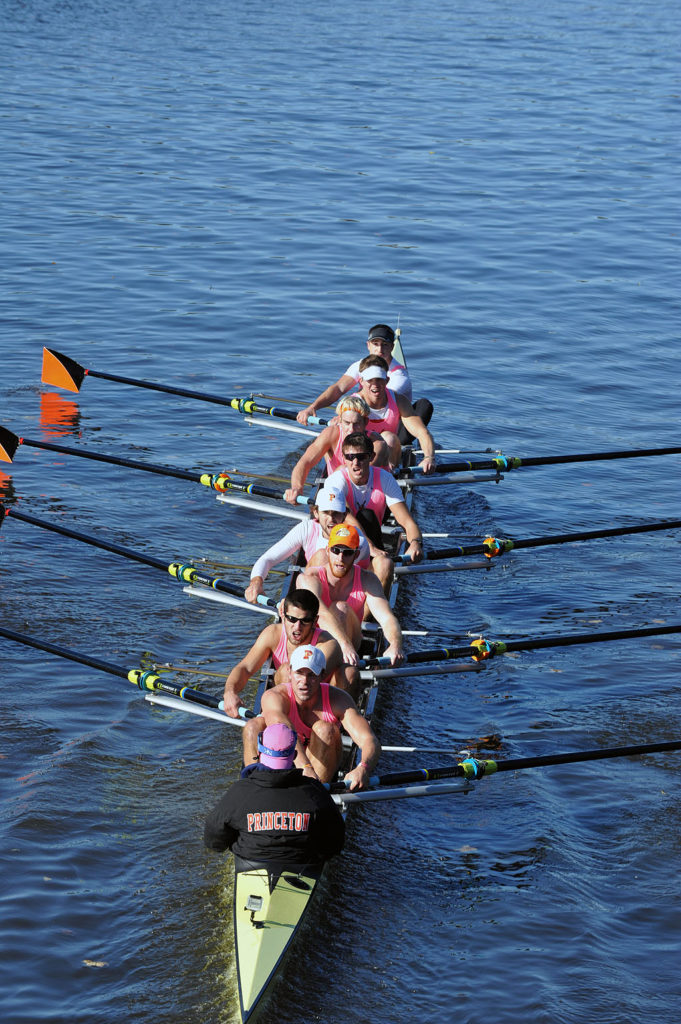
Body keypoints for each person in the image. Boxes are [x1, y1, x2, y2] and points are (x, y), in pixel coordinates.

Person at [203, 722, 345, 867]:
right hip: (301, 866)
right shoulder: (314, 791)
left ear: (259, 753)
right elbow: (336, 841)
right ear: (294, 755)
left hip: (250, 863)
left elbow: (213, 839)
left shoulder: (240, 791)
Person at [243, 645, 381, 791]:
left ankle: (312, 792)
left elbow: (370, 741)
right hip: (282, 759)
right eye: (299, 673)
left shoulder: (339, 700)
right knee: (253, 726)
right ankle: (254, 789)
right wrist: (305, 766)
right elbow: (285, 731)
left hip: (320, 765)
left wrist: (363, 768)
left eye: (311, 675)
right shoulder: (274, 696)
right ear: (289, 672)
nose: (304, 681)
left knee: (324, 729)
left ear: (322, 675)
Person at [222, 589, 357, 718]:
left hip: (321, 707)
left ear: (315, 622)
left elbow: (307, 681)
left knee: (349, 672)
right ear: (283, 615)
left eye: (304, 621)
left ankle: (338, 725)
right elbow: (244, 668)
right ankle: (286, 721)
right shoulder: (272, 634)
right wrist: (230, 692)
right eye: (292, 619)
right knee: (286, 671)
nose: (297, 627)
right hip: (289, 705)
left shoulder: (328, 644)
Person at [246, 484, 392, 602]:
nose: (331, 519)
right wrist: (256, 583)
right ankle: (306, 614)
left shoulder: (357, 539)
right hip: (320, 599)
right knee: (322, 557)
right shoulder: (307, 528)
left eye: (336, 513)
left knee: (324, 556)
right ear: (316, 513)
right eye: (326, 513)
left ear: (344, 514)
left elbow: (338, 579)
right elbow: (268, 558)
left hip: (351, 602)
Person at [296, 523, 404, 668]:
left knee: (340, 608)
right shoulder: (310, 578)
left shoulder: (368, 580)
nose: (340, 558)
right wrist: (343, 643)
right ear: (327, 551)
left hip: (351, 641)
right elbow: (321, 613)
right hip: (318, 642)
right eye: (336, 550)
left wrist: (395, 645)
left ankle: (337, 666)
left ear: (356, 555)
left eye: (347, 552)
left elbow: (387, 618)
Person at [325, 431, 425, 565]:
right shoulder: (337, 480)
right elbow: (346, 516)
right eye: (350, 457)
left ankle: (375, 568)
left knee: (367, 517)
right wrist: (370, 546)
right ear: (344, 458)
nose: (355, 463)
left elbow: (407, 522)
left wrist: (415, 543)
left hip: (370, 533)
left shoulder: (385, 478)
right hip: (340, 540)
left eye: (361, 457)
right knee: (363, 516)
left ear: (371, 457)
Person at [297, 324, 412, 429]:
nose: (379, 350)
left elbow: (379, 398)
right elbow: (338, 389)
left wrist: (346, 415)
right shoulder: (360, 365)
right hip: (362, 420)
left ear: (392, 347)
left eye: (385, 345)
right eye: (375, 344)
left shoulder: (399, 376)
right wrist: (313, 408)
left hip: (392, 429)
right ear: (368, 345)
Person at [284, 395, 388, 507]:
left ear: (365, 422)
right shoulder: (331, 434)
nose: (351, 430)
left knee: (343, 470)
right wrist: (297, 488)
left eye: (356, 424)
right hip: (338, 494)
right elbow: (305, 462)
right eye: (347, 423)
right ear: (339, 420)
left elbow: (360, 478)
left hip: (369, 496)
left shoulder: (376, 444)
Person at [355, 354, 436, 471]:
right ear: (361, 381)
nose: (375, 384)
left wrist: (429, 457)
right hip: (360, 458)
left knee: (389, 438)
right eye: (370, 380)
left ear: (387, 380)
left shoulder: (399, 400)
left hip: (388, 457)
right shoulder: (354, 403)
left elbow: (422, 432)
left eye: (379, 379)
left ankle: (389, 477)